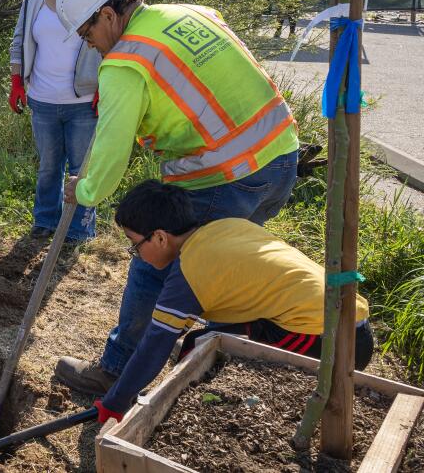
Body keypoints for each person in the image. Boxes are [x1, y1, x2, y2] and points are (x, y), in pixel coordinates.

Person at [50, 0, 301, 396]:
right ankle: (202, 366)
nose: (87, 43)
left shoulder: (126, 62)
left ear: (108, 14)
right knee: (225, 266)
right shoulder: (190, 13)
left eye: (86, 32)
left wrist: (85, 189)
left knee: (153, 260)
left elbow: (111, 153)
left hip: (223, 175)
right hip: (280, 155)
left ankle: (117, 370)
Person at [92, 180, 373, 423]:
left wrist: (114, 404)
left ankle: (181, 419)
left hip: (329, 341)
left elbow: (154, 345)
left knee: (199, 352)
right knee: (201, 343)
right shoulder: (227, 226)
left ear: (160, 237)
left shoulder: (192, 269)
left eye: (134, 244)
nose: (136, 254)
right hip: (351, 322)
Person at [7, 0, 108, 245]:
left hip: (84, 102)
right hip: (43, 99)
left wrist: (106, 88)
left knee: (82, 170)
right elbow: (19, 40)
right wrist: (16, 82)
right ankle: (45, 221)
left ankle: (79, 231)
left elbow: (115, 48)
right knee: (49, 167)